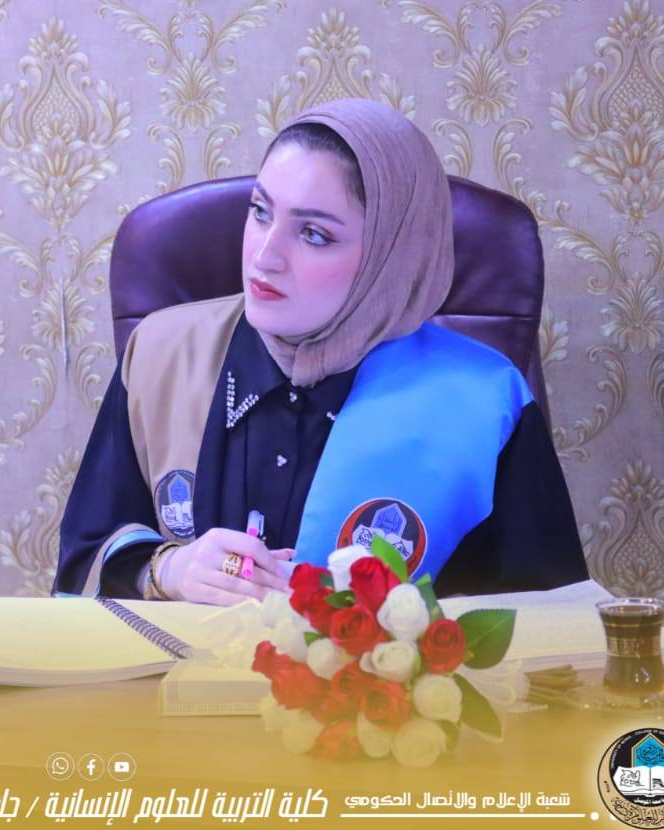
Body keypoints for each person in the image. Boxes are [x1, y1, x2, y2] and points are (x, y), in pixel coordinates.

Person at [53, 98, 588, 604]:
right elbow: (82, 563)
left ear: (390, 256)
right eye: (260, 211)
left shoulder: (481, 402)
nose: (265, 257)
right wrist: (166, 570)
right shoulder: (161, 354)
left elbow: (547, 628)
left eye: (313, 234)